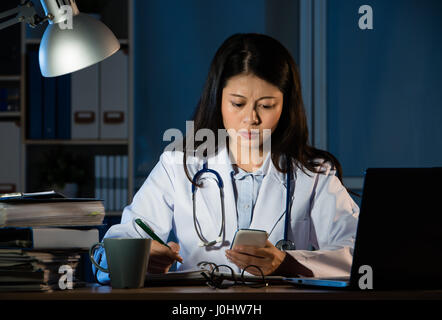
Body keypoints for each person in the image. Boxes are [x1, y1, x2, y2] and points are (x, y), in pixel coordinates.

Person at [94, 33, 359, 283]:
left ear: (286, 105)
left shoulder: (312, 174)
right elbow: (113, 249)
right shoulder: (180, 164)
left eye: (266, 105)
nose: (251, 118)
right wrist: (139, 258)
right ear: (217, 99)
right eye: (237, 103)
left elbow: (357, 253)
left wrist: (286, 262)